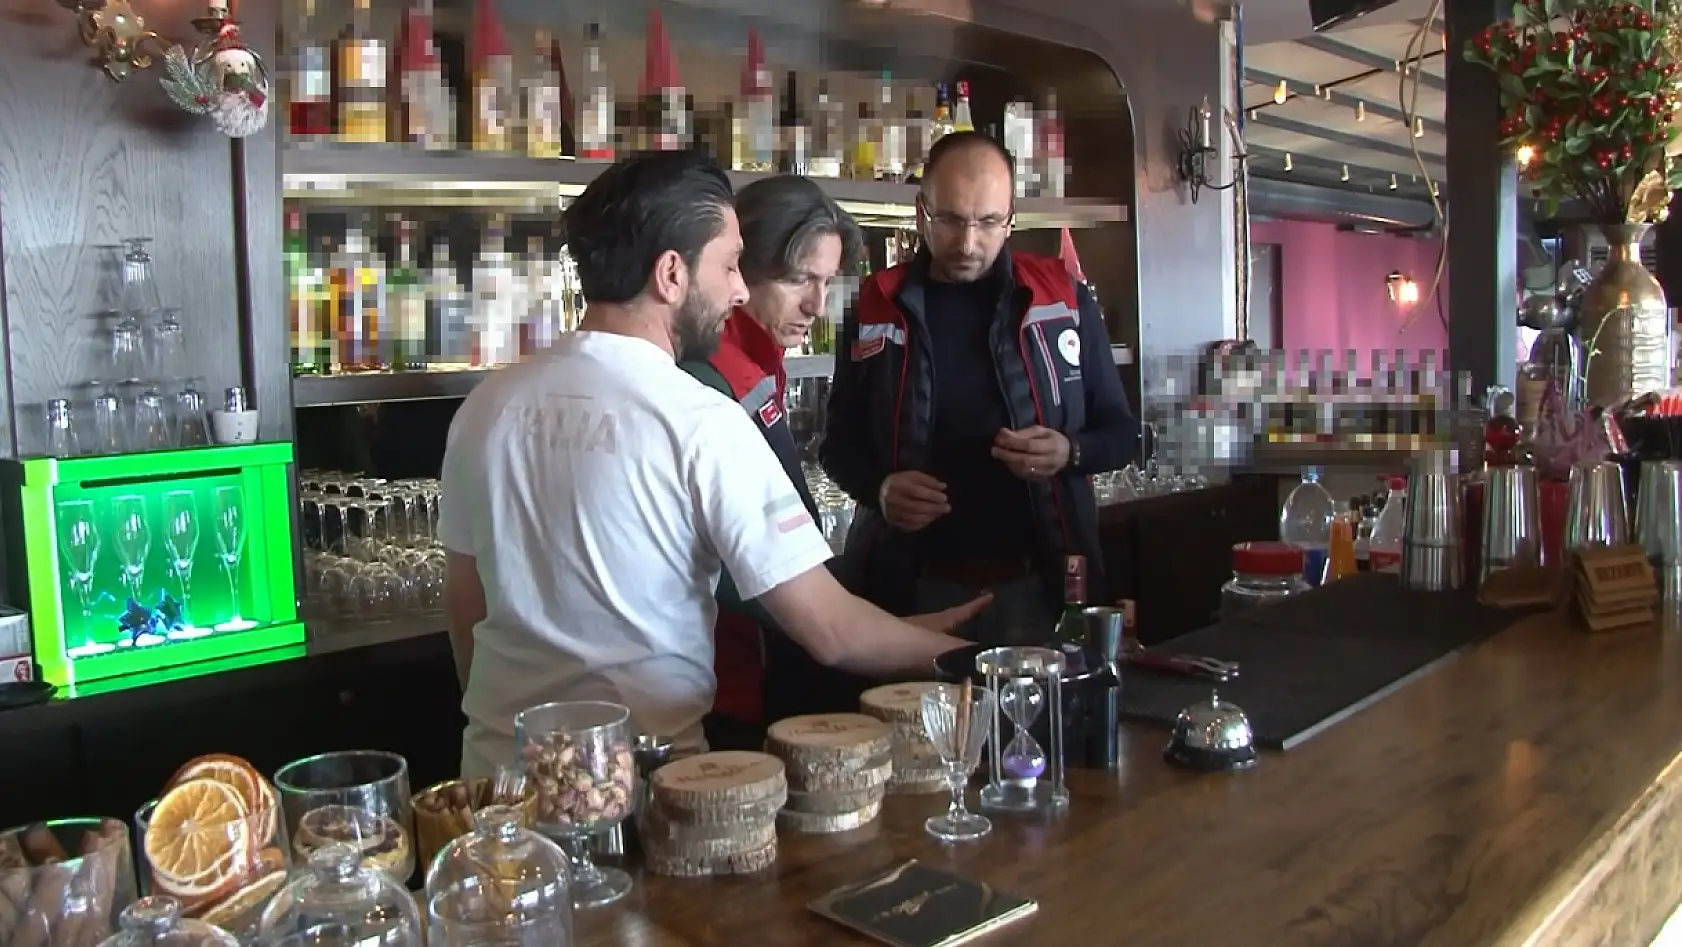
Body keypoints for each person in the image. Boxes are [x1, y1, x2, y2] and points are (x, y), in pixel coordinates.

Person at [440, 151, 986, 779]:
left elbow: (467, 607)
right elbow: (830, 631)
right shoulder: (699, 420)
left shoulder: (487, 406)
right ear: (671, 274)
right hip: (642, 791)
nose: (738, 288)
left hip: (496, 787)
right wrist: (973, 656)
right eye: (728, 265)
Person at [821, 131, 1139, 644]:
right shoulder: (875, 304)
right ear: (922, 212)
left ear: (1011, 217)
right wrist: (880, 490)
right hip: (912, 587)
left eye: (989, 222)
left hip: (1042, 586)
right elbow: (837, 447)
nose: (968, 244)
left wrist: (1069, 450)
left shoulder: (1063, 299)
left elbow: (1124, 434)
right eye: (949, 220)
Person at [676, 176, 869, 750]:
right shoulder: (709, 373)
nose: (816, 304)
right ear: (739, 270)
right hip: (726, 684)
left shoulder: (758, 361)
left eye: (827, 282)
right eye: (797, 280)